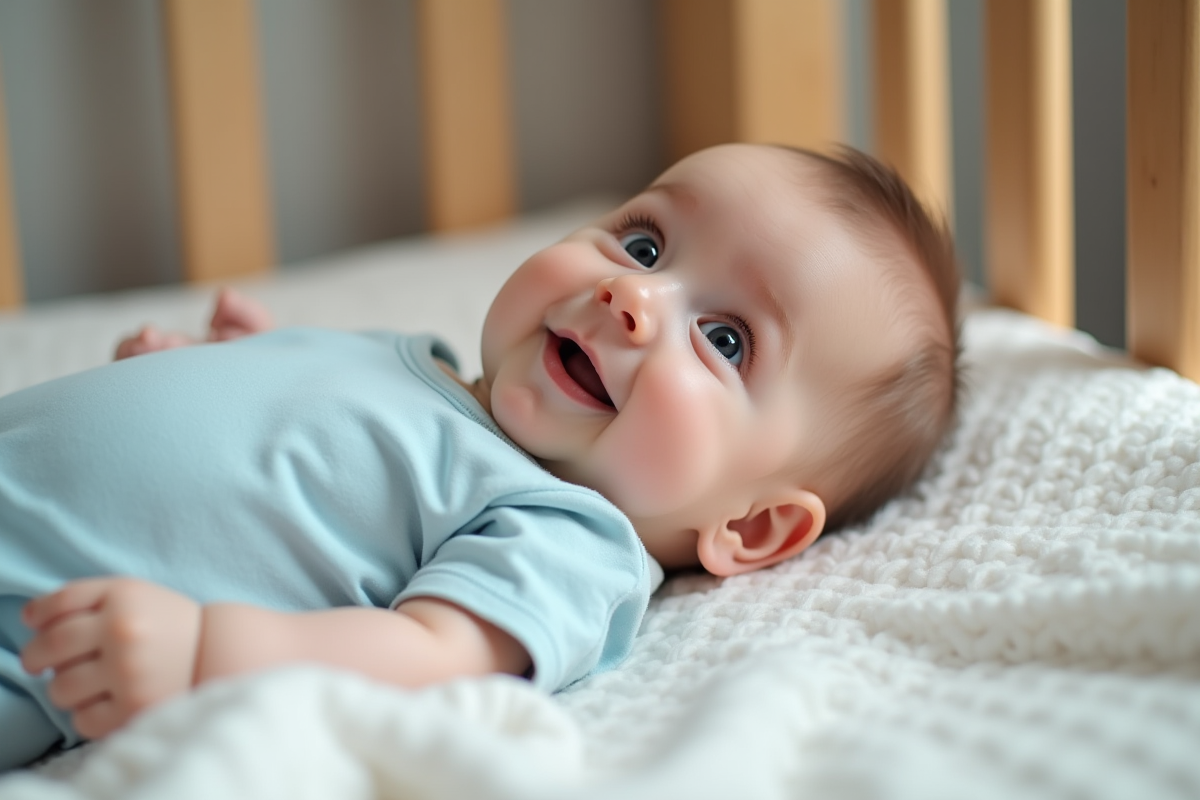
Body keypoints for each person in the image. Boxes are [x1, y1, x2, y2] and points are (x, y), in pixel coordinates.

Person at [0, 142, 960, 770]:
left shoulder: (567, 533)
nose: (637, 299)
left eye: (728, 340)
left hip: (34, 633)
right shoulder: (423, 361)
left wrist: (208, 656)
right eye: (643, 241)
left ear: (749, 526)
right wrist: (229, 368)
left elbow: (432, 659)